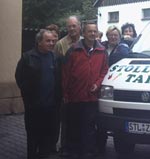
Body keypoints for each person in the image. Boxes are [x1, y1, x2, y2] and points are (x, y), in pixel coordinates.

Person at [62, 22, 108, 158]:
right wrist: (65, 93)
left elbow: (104, 70)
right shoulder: (73, 50)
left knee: (89, 126)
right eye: (89, 31)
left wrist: (98, 84)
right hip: (75, 95)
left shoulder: (102, 51)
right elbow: (65, 73)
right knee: (74, 125)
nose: (92, 34)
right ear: (84, 33)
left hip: (91, 96)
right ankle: (73, 151)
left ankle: (88, 151)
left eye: (95, 31)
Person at [15, 29, 61, 159]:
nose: (52, 43)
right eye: (48, 41)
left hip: (51, 107)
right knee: (33, 137)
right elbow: (19, 77)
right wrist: (28, 96)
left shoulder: (56, 58)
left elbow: (59, 80)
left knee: (47, 138)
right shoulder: (27, 57)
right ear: (39, 42)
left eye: (53, 41)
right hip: (34, 107)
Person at [54, 15, 82, 157]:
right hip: (67, 90)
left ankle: (79, 146)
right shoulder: (60, 44)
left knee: (81, 120)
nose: (71, 29)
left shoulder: (87, 42)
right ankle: (65, 147)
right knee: (66, 120)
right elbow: (56, 68)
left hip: (83, 89)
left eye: (74, 25)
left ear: (80, 26)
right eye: (69, 26)